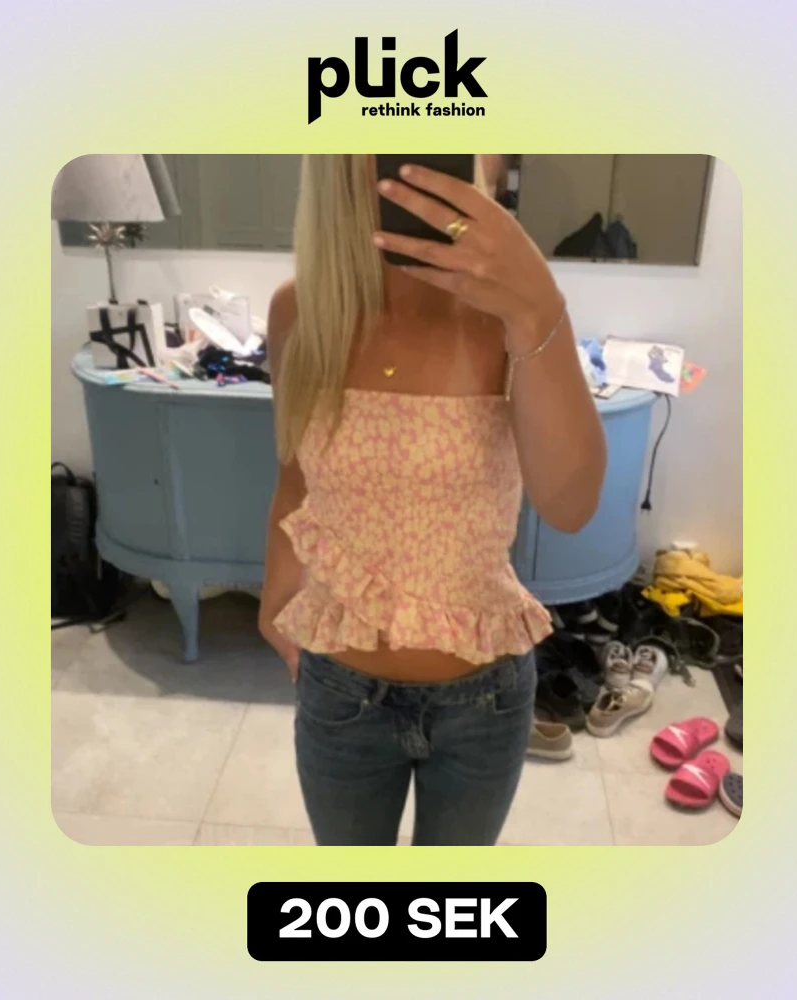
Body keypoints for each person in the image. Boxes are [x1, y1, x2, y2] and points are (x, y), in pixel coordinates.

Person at [258, 154, 606, 846]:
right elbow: (297, 477)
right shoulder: (300, 311)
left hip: (484, 701)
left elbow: (571, 507)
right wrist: (274, 606)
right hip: (340, 689)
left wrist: (540, 307)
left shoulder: (508, 317)